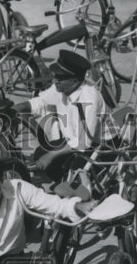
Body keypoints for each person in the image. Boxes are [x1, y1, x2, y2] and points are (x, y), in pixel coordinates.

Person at [13, 49, 113, 181]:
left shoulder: (89, 99)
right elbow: (42, 102)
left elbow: (82, 142)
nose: (55, 80)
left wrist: (50, 156)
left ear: (74, 81)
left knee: (74, 177)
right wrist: (16, 108)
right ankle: (62, 179)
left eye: (59, 77)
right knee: (40, 154)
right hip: (72, 140)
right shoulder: (61, 87)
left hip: (101, 146)